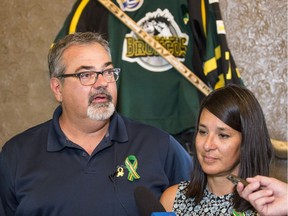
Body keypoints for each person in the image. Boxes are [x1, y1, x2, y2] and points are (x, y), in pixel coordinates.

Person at [0, 32, 192, 216]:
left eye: (107, 71)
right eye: (86, 75)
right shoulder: (17, 155)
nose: (102, 83)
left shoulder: (160, 146)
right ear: (58, 88)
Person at [53, 0, 243, 153]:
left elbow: (219, 61)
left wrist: (239, 115)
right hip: (119, 134)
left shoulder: (195, 3)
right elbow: (62, 64)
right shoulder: (94, 5)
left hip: (185, 132)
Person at [160, 84, 273, 215]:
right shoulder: (172, 200)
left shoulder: (265, 207)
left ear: (248, 141)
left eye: (223, 135)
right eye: (203, 132)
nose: (207, 145)